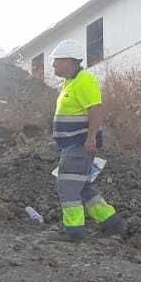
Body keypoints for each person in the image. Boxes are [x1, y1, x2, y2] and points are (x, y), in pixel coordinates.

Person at [49, 39, 122, 241]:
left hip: (79, 146)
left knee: (67, 186)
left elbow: (96, 109)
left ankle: (74, 231)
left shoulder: (84, 80)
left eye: (57, 61)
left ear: (70, 62)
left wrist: (91, 137)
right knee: (82, 188)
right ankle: (111, 221)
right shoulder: (70, 83)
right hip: (72, 147)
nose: (53, 65)